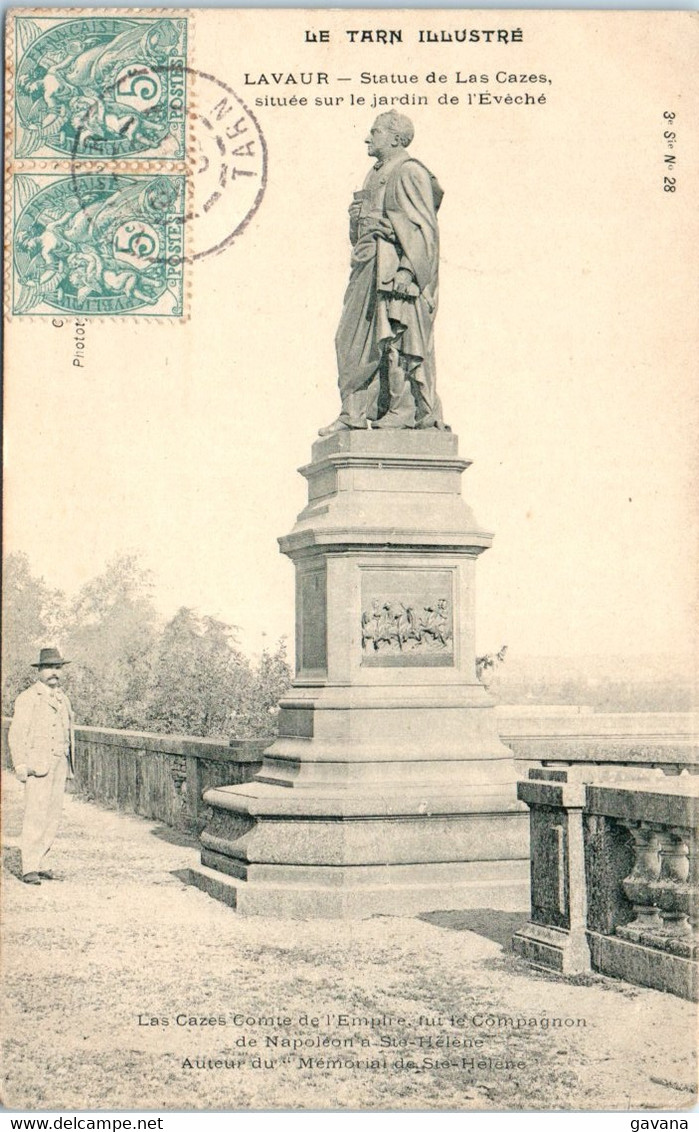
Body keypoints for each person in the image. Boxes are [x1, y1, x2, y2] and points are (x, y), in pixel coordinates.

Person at [320, 112, 447, 435]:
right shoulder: (374, 173)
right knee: (351, 340)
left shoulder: (409, 172)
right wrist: (357, 220)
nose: (367, 138)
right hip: (368, 268)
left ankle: (401, 411)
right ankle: (353, 412)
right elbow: (366, 233)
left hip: (394, 274)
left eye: (374, 132)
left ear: (395, 137)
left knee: (396, 339)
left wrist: (407, 270)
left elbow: (423, 229)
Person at [8, 647, 75, 885]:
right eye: (48, 668)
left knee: (52, 816)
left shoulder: (63, 698)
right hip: (38, 766)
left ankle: (43, 862)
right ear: (39, 671)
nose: (53, 673)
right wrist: (21, 765)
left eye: (57, 668)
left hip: (60, 763)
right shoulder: (28, 698)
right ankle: (29, 867)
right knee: (35, 814)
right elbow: (16, 734)